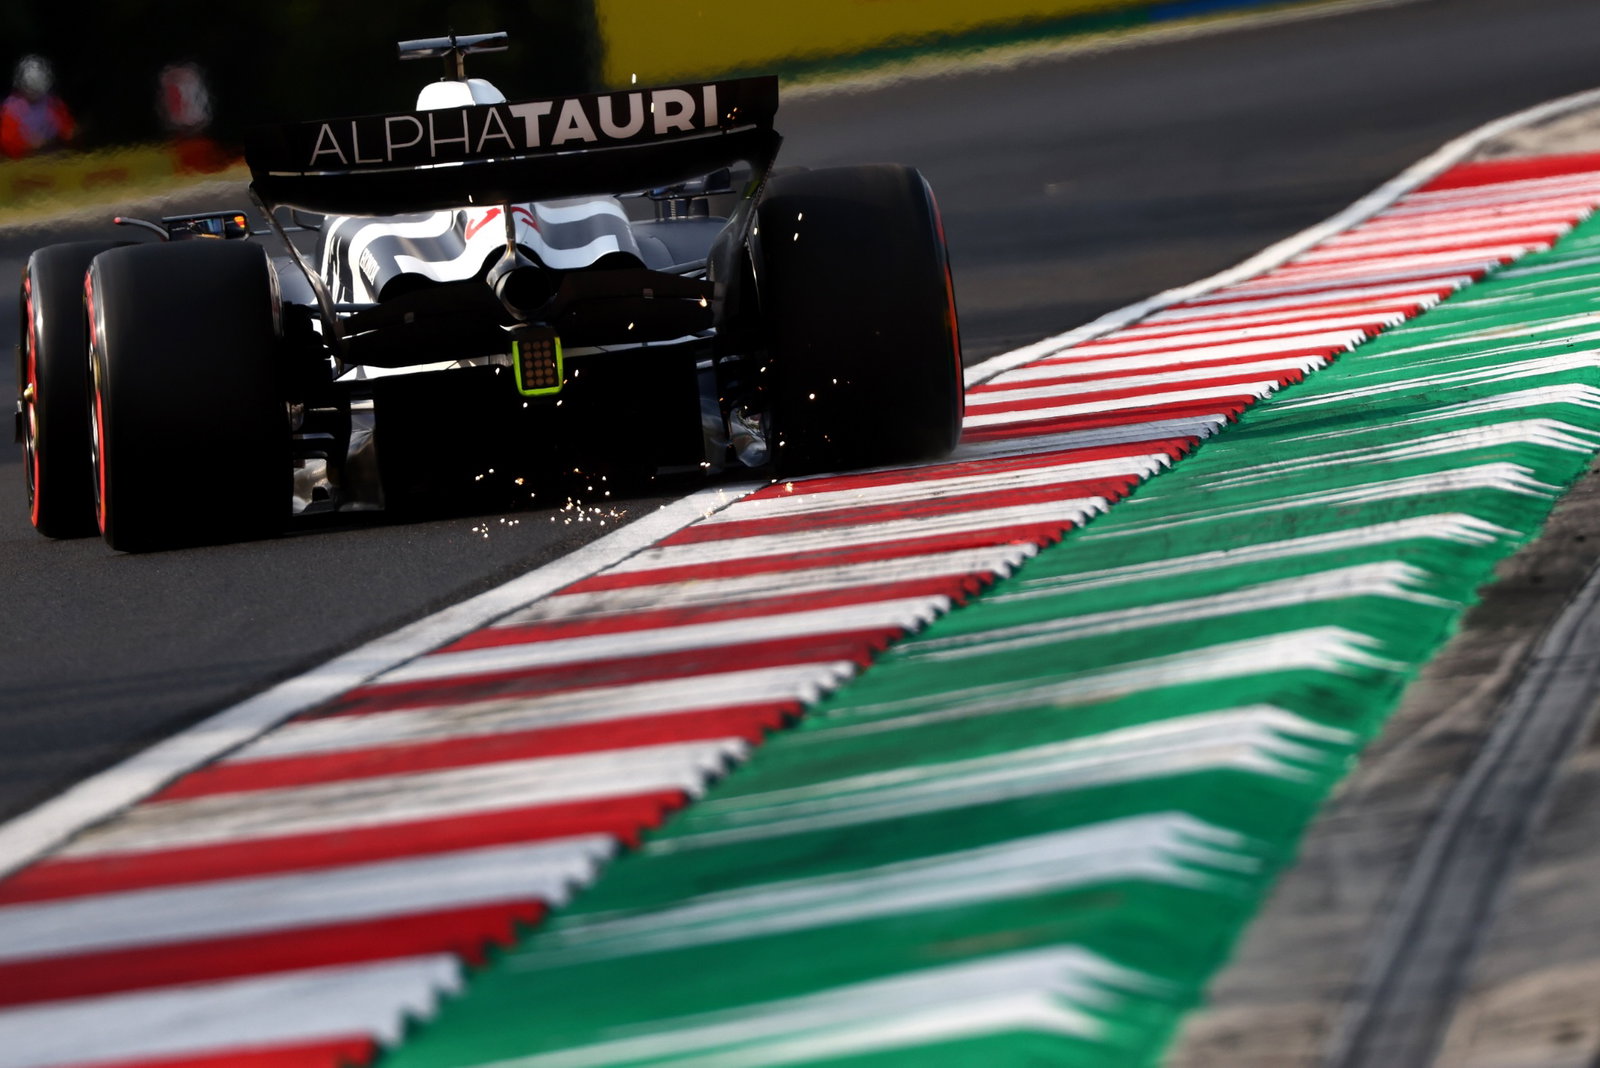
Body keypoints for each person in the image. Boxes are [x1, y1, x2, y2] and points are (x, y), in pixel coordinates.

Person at [1, 55, 76, 159]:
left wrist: (68, 133)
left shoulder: (53, 103)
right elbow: (7, 142)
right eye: (30, 89)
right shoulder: (11, 107)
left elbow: (67, 131)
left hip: (52, 157)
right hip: (23, 162)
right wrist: (26, 144)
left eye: (37, 91)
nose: (34, 94)